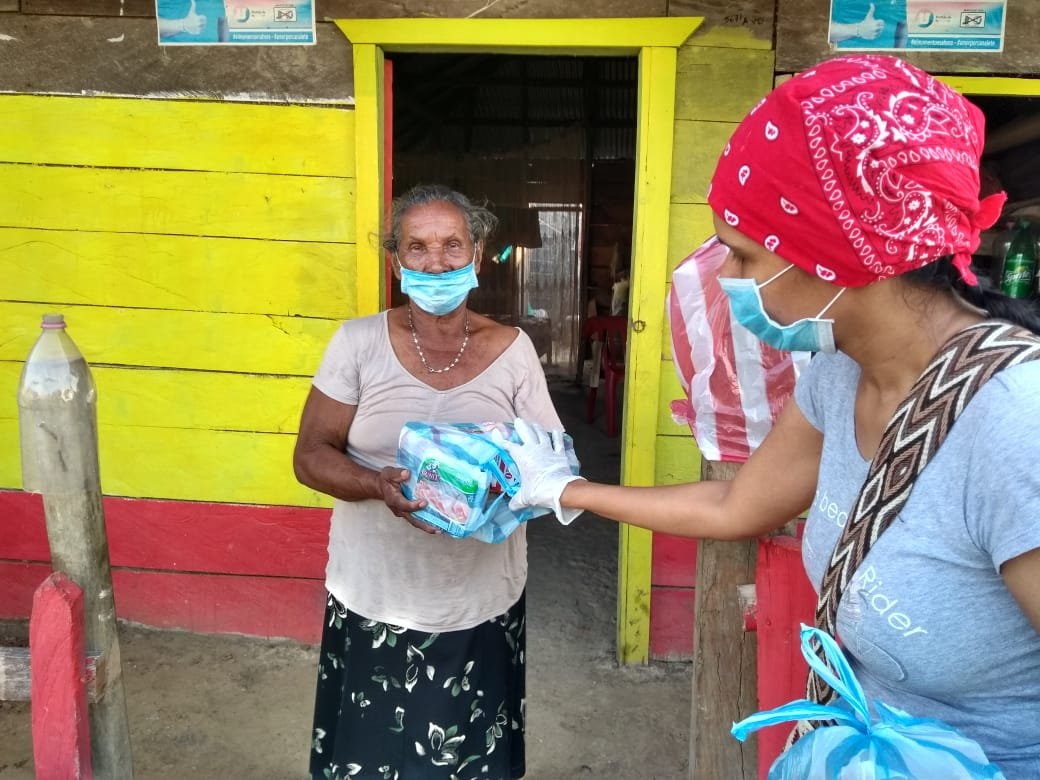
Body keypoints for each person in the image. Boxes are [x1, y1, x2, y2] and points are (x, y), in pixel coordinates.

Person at [498, 56, 1040, 778]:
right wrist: (563, 490)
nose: (726, 280)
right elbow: (736, 501)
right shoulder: (844, 371)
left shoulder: (1014, 427)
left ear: (840, 255)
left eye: (746, 256)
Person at [294, 184, 565, 780]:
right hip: (376, 594)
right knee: (372, 759)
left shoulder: (513, 350)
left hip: (480, 598)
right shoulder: (358, 343)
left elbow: (550, 465)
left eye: (451, 244)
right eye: (417, 247)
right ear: (396, 262)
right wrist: (375, 485)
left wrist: (499, 488)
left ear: (477, 251)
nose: (435, 261)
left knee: (470, 758)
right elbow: (311, 454)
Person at [829, 0, 908, 49]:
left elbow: (903, 27)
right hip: (849, 59)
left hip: (886, 64)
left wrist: (897, 56)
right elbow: (822, 31)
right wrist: (858, 29)